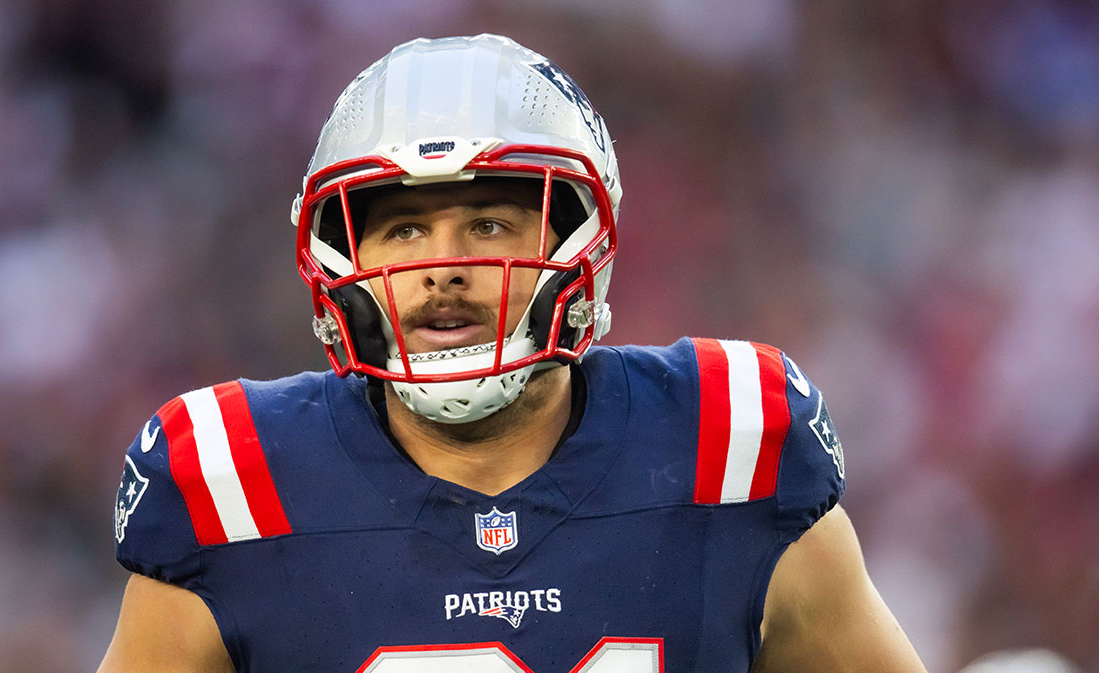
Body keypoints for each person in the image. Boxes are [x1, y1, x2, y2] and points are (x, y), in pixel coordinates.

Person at [98, 34, 927, 673]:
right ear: (342, 260)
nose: (445, 266)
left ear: (578, 240)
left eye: (489, 223)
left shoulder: (730, 444)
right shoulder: (229, 485)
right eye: (405, 229)